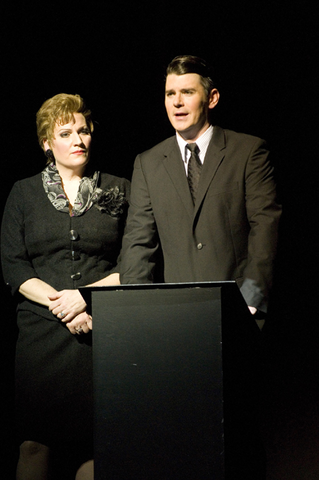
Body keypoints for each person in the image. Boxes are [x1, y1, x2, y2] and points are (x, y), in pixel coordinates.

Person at [119, 55, 282, 478]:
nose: (176, 102)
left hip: (237, 319)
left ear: (211, 97)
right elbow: (138, 243)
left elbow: (265, 225)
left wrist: (249, 301)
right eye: (170, 94)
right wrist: (139, 316)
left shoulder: (248, 149)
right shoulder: (148, 162)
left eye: (186, 92)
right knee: (184, 439)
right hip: (175, 327)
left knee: (239, 439)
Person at [1, 93, 130, 480]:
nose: (78, 139)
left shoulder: (119, 188)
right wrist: (63, 304)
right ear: (46, 143)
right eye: (66, 132)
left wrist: (87, 299)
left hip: (101, 329)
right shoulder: (23, 194)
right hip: (41, 335)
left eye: (84, 130)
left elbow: (136, 263)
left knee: (94, 443)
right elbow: (14, 265)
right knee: (34, 443)